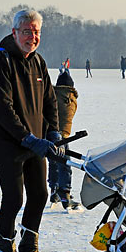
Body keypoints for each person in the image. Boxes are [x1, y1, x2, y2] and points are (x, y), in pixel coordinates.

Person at [0, 9, 65, 252]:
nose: (33, 36)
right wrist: (27, 138)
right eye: (28, 31)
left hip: (36, 142)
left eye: (37, 31)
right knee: (14, 198)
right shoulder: (0, 60)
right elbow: (2, 108)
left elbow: (50, 101)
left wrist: (52, 132)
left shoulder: (38, 62)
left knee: (40, 194)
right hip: (8, 142)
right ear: (15, 32)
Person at [48, 72, 80, 210]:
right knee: (65, 164)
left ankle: (54, 191)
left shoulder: (52, 95)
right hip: (61, 135)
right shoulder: (70, 97)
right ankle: (65, 194)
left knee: (54, 162)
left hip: (49, 134)